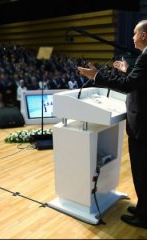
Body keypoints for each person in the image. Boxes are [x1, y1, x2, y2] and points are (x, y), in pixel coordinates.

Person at [77, 20, 147, 229]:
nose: (132, 37)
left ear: (144, 35)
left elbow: (128, 86)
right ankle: (144, 207)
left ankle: (144, 217)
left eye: (135, 33)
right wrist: (127, 69)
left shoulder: (146, 58)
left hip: (143, 126)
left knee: (143, 173)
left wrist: (97, 76)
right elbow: (139, 81)